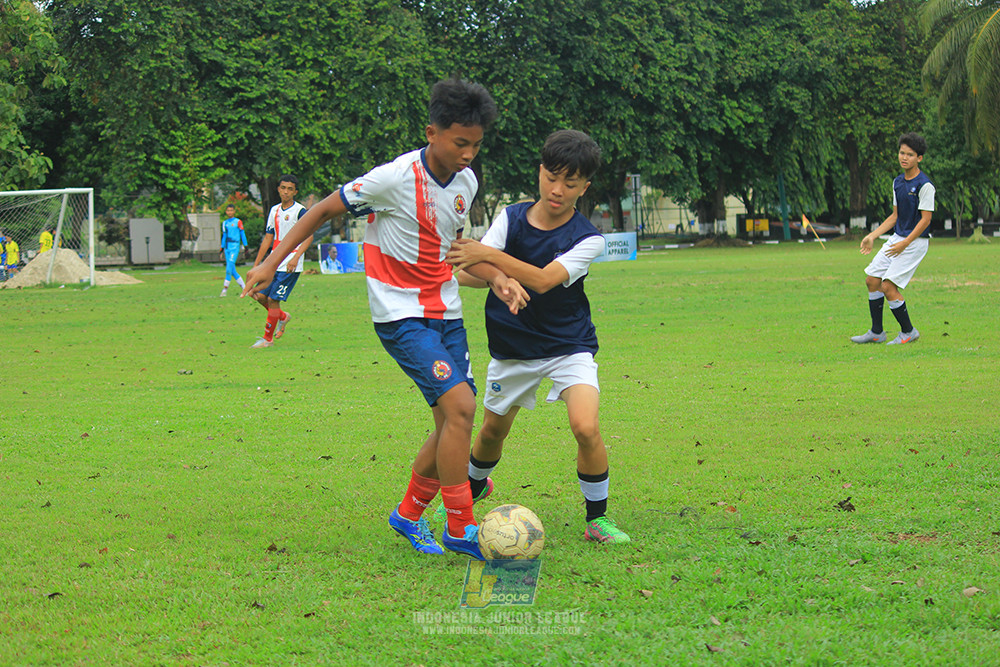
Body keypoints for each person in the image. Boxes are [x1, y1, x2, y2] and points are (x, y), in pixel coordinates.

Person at [242, 78, 526, 560]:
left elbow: (454, 250)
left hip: (448, 315)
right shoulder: (392, 178)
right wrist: (271, 263)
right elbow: (319, 211)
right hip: (400, 316)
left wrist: (496, 276)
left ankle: (408, 515)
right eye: (460, 143)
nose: (468, 155)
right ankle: (460, 527)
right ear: (431, 131)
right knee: (460, 410)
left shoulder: (467, 183)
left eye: (476, 145)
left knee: (449, 424)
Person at [446, 129, 631, 545]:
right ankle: (473, 490)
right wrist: (491, 276)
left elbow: (546, 280)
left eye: (570, 183)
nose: (557, 189)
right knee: (492, 431)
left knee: (585, 426)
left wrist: (488, 256)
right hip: (514, 348)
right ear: (540, 172)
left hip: (570, 346)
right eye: (552, 177)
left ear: (584, 187)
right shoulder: (510, 218)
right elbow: (470, 270)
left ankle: (597, 519)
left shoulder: (589, 238)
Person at [851, 132, 934, 346]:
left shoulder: (925, 185)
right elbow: (895, 216)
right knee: (872, 280)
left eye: (910, 154)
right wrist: (872, 236)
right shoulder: (898, 182)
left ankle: (908, 331)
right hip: (898, 238)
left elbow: (925, 220)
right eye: (901, 153)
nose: (904, 157)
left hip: (915, 242)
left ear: (919, 158)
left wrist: (905, 243)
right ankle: (877, 333)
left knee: (888, 286)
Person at [248, 176, 312, 348]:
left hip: (290, 263)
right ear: (278, 189)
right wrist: (257, 265)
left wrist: (296, 257)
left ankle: (267, 339)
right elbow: (268, 238)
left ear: (295, 192)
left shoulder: (300, 211)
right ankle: (282, 317)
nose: (286, 191)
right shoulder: (274, 210)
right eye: (283, 188)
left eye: (290, 189)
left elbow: (309, 236)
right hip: (274, 261)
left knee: (273, 300)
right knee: (258, 295)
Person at [219, 204, 248, 297]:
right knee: (232, 270)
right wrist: (222, 248)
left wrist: (246, 246)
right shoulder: (225, 223)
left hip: (235, 246)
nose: (229, 212)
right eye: (228, 210)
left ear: (234, 211)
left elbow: (242, 234)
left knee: (229, 267)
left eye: (231, 210)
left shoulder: (238, 222)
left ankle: (224, 289)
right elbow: (224, 236)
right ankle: (245, 288)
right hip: (227, 247)